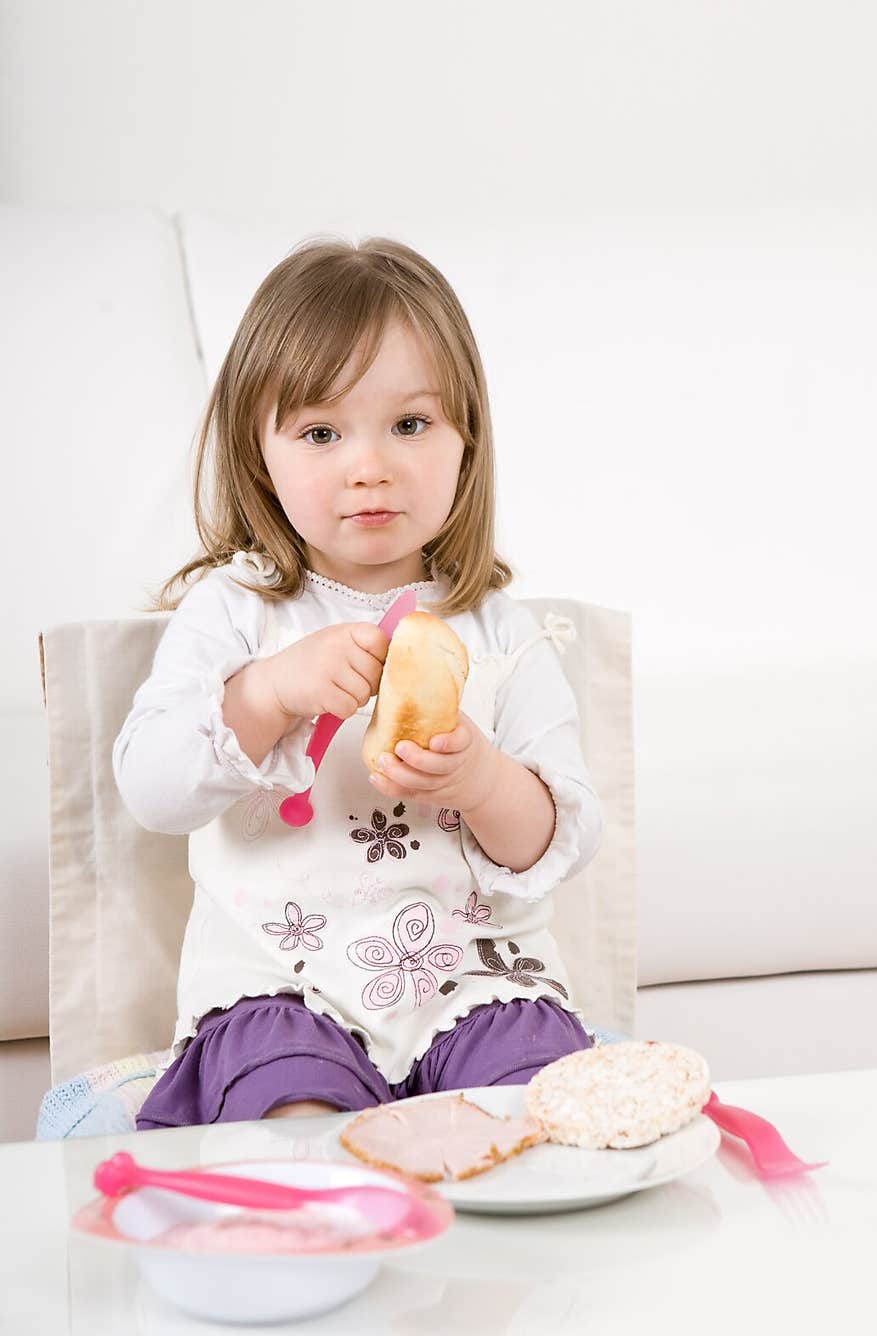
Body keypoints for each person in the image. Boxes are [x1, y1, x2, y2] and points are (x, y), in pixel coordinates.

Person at [113, 235, 604, 1130]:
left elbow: (559, 836)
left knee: (537, 1111)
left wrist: (483, 780)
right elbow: (150, 787)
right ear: (258, 454)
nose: (368, 465)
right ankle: (335, 1237)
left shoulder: (499, 630)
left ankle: (494, 1246)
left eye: (410, 425)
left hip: (474, 980)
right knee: (295, 1110)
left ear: (467, 442)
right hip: (280, 983)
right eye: (321, 432)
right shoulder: (237, 614)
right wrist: (264, 695)